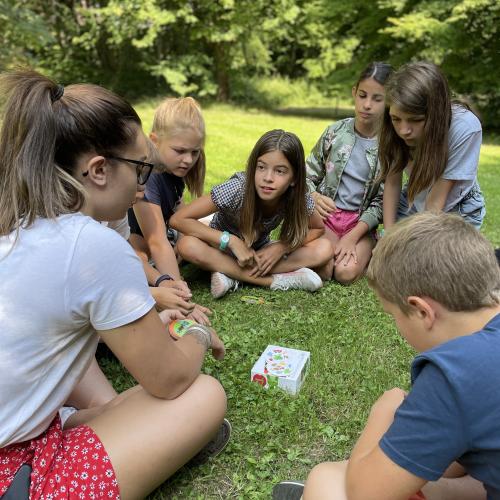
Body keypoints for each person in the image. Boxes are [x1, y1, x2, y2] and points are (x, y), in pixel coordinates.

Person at [0, 70, 229, 499]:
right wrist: (196, 332)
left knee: (111, 405)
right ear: (99, 170)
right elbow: (170, 380)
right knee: (204, 395)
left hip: (19, 430)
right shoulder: (93, 244)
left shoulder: (18, 222)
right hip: (14, 471)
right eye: (142, 169)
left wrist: (144, 323)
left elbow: (56, 338)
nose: (145, 186)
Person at [273, 211, 500, 500]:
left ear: (421, 311)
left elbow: (365, 493)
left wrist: (383, 412)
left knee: (327, 481)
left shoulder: (454, 376)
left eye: (393, 315)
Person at [170, 129, 332, 299]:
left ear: (294, 179)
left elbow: (318, 229)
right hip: (221, 248)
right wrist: (230, 241)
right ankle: (273, 281)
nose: (267, 178)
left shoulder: (297, 198)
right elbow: (179, 219)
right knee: (187, 245)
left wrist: (282, 246)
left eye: (280, 171)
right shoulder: (237, 188)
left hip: (259, 252)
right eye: (261, 167)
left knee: (324, 248)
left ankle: (228, 274)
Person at [306, 62, 392, 284]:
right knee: (324, 270)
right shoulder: (334, 133)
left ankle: (372, 246)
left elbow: (383, 201)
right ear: (354, 93)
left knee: (344, 274)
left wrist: (353, 237)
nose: (367, 105)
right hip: (327, 216)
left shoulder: (390, 147)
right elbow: (305, 175)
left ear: (389, 101)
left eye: (377, 99)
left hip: (361, 224)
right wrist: (314, 196)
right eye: (362, 95)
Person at [128, 96, 210, 323]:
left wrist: (185, 239)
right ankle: (163, 285)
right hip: (137, 242)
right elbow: (155, 240)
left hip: (165, 238)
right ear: (154, 141)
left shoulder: (174, 173)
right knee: (135, 258)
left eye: (195, 152)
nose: (188, 160)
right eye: (180, 150)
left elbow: (180, 213)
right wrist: (179, 295)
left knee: (202, 230)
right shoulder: (150, 175)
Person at [379, 61, 486, 230]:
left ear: (437, 113)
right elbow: (392, 184)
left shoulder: (465, 128)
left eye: (416, 120)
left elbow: (435, 202)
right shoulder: (391, 128)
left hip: (457, 209)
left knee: (430, 255)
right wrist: (389, 235)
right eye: (396, 119)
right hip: (414, 201)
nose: (403, 130)